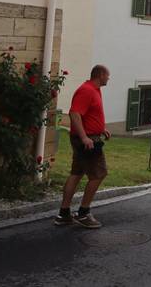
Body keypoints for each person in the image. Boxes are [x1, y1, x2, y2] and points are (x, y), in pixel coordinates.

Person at [54, 65, 111, 229]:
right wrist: (84, 137)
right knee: (98, 174)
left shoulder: (94, 90)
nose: (108, 78)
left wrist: (102, 129)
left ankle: (63, 214)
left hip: (90, 137)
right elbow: (74, 113)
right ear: (100, 74)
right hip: (87, 141)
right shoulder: (86, 90)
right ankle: (83, 212)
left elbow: (89, 114)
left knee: (77, 173)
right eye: (107, 76)